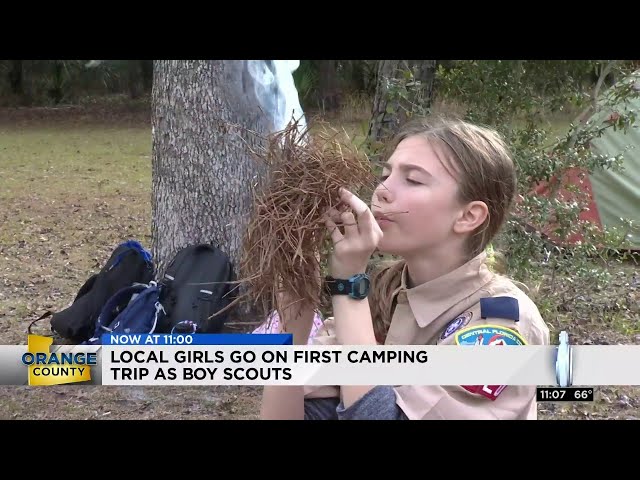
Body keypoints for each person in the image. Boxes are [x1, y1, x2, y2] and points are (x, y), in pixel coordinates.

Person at [259, 116, 551, 420]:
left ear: (468, 216)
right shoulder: (385, 292)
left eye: (413, 180)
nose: (382, 190)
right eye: (385, 175)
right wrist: (295, 321)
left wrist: (348, 287)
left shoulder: (500, 325)